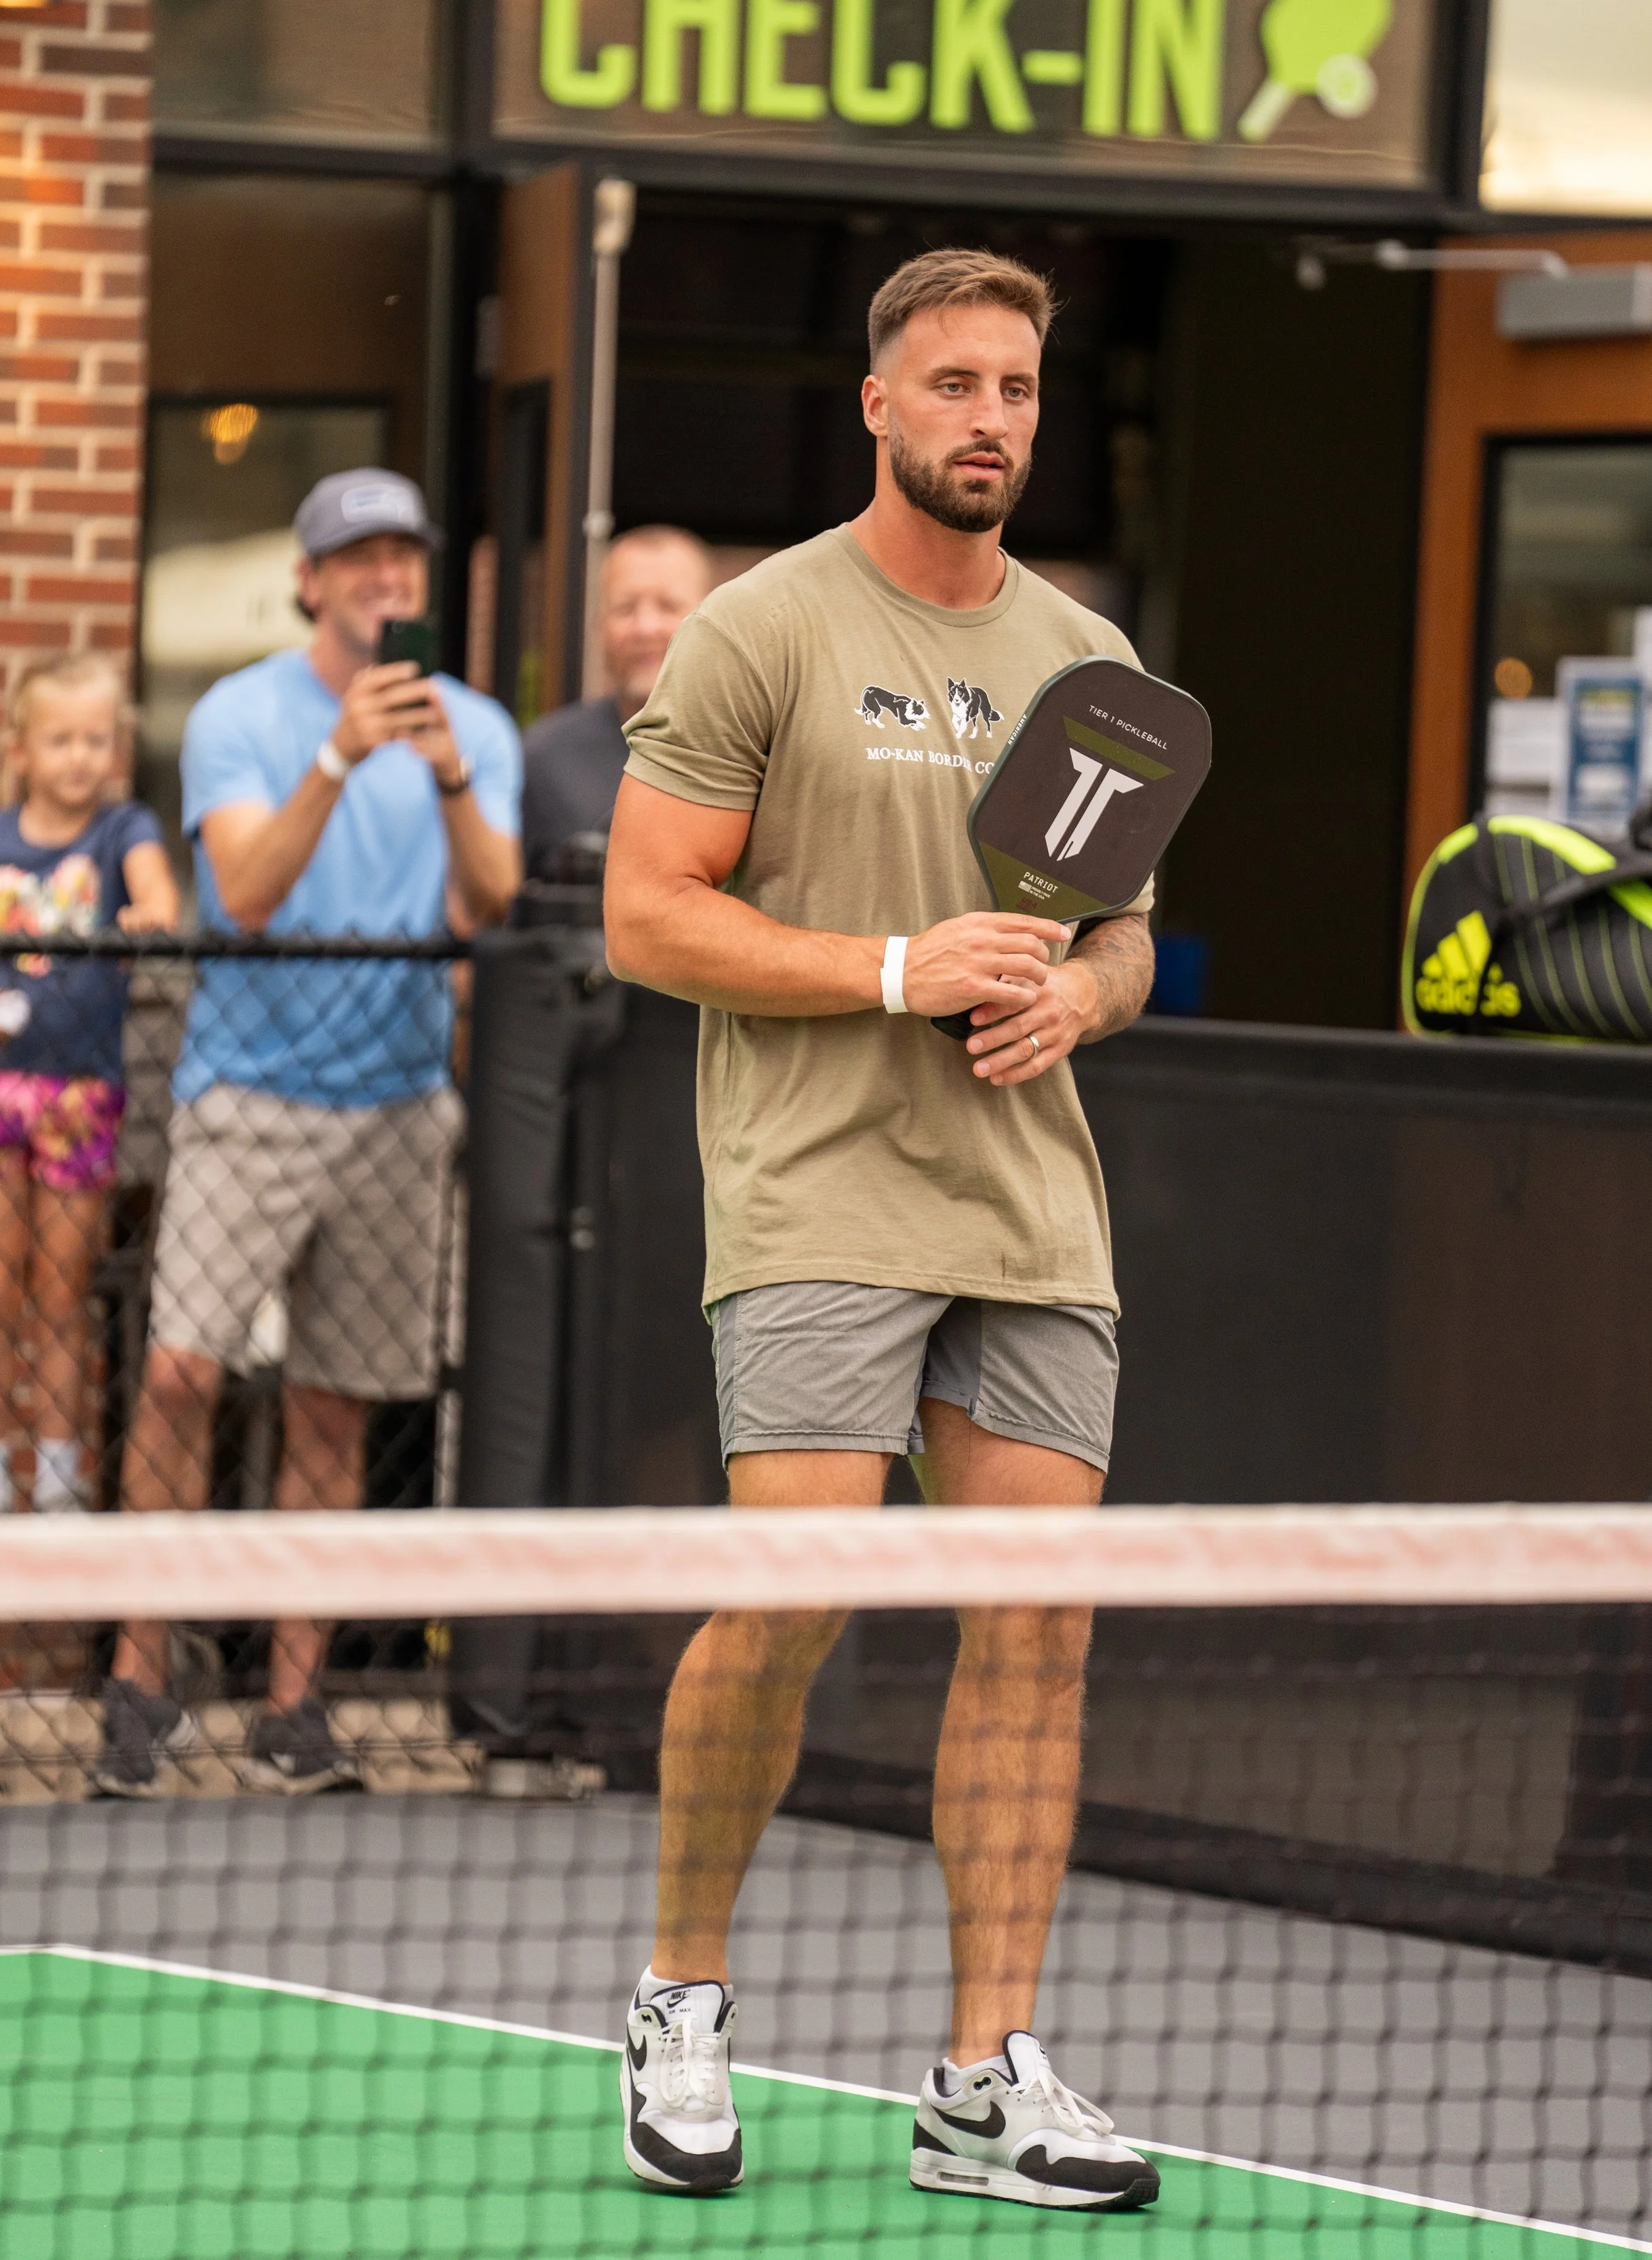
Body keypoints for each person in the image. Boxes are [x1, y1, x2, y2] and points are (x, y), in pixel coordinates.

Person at [604, 250, 1162, 2211]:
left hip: (1029, 1203)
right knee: (792, 1599)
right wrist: (893, 961)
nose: (987, 417)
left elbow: (1119, 931)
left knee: (1038, 1627)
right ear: (878, 402)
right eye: (951, 384)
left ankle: (976, 2081)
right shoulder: (756, 630)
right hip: (816, 1184)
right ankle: (677, 1994)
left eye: (1014, 385)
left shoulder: (1084, 662)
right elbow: (647, 912)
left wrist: (1078, 997)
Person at [91, 468, 521, 1801]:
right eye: (359, 560)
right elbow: (252, 897)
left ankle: (294, 1709)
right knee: (178, 1375)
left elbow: (493, 907)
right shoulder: (238, 713)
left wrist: (447, 775)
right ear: (310, 579)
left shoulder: (480, 729)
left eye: (403, 557)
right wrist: (339, 753)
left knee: (334, 1408)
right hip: (248, 1092)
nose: (385, 580)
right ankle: (138, 1678)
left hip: (396, 1104)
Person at [0, 655, 177, 1517]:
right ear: (20, 750)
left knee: (61, 1291)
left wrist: (144, 918)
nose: (80, 757)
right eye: (61, 740)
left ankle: (56, 1471)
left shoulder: (123, 831)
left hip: (81, 1091)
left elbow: (158, 899)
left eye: (97, 739)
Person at [522, 527, 714, 879]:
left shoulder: (755, 753)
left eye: (668, 606)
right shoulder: (543, 759)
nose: (645, 628)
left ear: (713, 621)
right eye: (625, 609)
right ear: (599, 625)